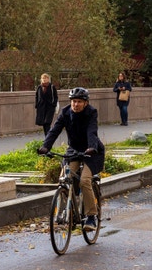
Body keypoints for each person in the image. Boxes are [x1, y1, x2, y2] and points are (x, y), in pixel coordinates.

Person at [40, 87, 106, 228]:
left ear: (85, 103)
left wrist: (92, 147)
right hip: (74, 150)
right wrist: (46, 146)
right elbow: (54, 130)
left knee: (84, 181)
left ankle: (91, 216)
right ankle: (66, 210)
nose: (76, 104)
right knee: (63, 179)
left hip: (92, 151)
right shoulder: (65, 112)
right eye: (74, 101)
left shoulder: (91, 113)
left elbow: (92, 131)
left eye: (79, 102)